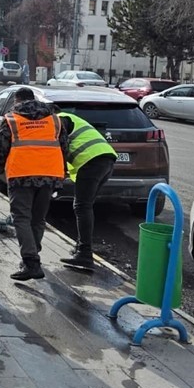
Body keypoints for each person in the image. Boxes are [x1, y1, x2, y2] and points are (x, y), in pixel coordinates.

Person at [0, 87, 68, 281]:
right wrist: (61, 172)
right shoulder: (55, 119)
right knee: (38, 218)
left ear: (17, 101)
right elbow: (64, 147)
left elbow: (0, 146)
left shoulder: (13, 119)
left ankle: (31, 261)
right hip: (50, 174)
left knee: (21, 218)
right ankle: (32, 255)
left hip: (22, 174)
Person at [57, 111, 117, 271]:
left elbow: (60, 146)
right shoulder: (68, 118)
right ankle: (82, 249)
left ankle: (84, 253)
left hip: (92, 162)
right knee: (85, 206)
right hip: (106, 160)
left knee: (82, 206)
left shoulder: (58, 119)